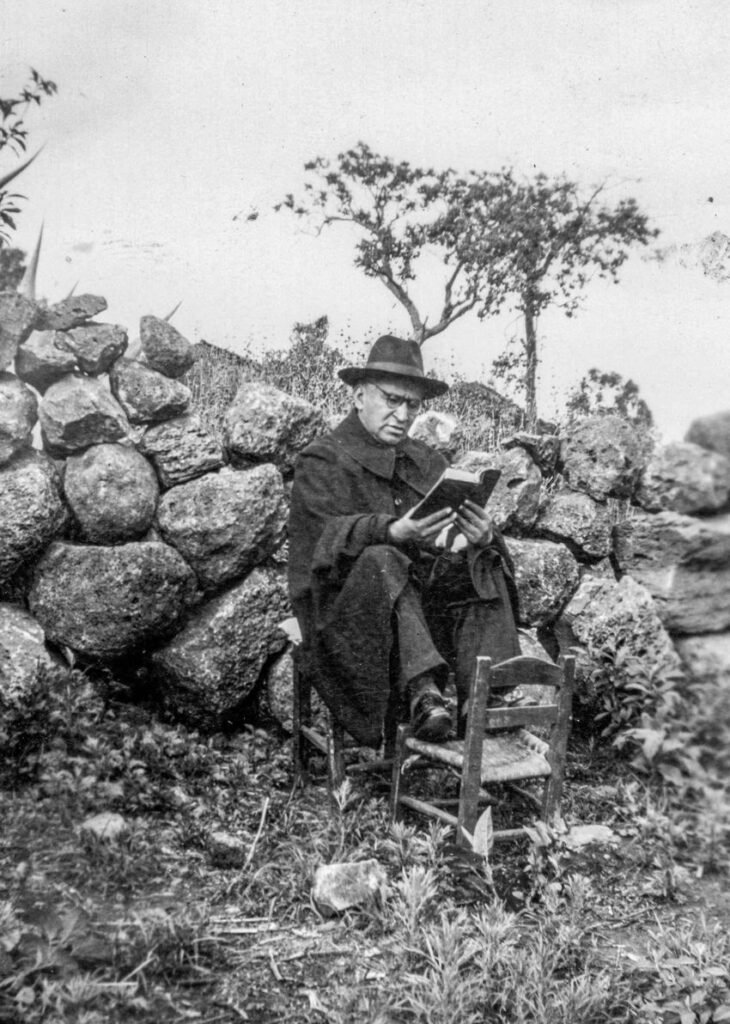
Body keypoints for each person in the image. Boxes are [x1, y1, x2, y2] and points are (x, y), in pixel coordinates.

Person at [288, 335, 520, 749]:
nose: (402, 415)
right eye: (392, 400)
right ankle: (423, 694)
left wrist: (481, 534)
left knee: (481, 559)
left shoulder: (426, 461)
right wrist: (390, 531)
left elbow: (453, 543)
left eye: (412, 405)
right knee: (383, 557)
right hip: (347, 621)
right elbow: (321, 545)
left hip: (419, 615)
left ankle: (484, 698)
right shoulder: (322, 459)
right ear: (359, 396)